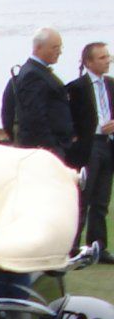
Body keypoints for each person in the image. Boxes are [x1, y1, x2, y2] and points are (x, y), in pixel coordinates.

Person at [68, 41, 113, 255]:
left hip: (108, 145)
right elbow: (70, 120)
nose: (108, 61)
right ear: (89, 62)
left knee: (102, 200)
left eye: (108, 56)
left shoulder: (111, 84)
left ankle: (98, 246)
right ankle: (73, 245)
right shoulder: (77, 88)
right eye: (102, 57)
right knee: (83, 198)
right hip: (89, 146)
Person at [6, 28, 72, 162]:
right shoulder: (33, 74)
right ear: (38, 48)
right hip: (46, 149)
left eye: (60, 47)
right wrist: (52, 146)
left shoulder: (39, 71)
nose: (59, 52)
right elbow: (35, 116)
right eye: (55, 47)